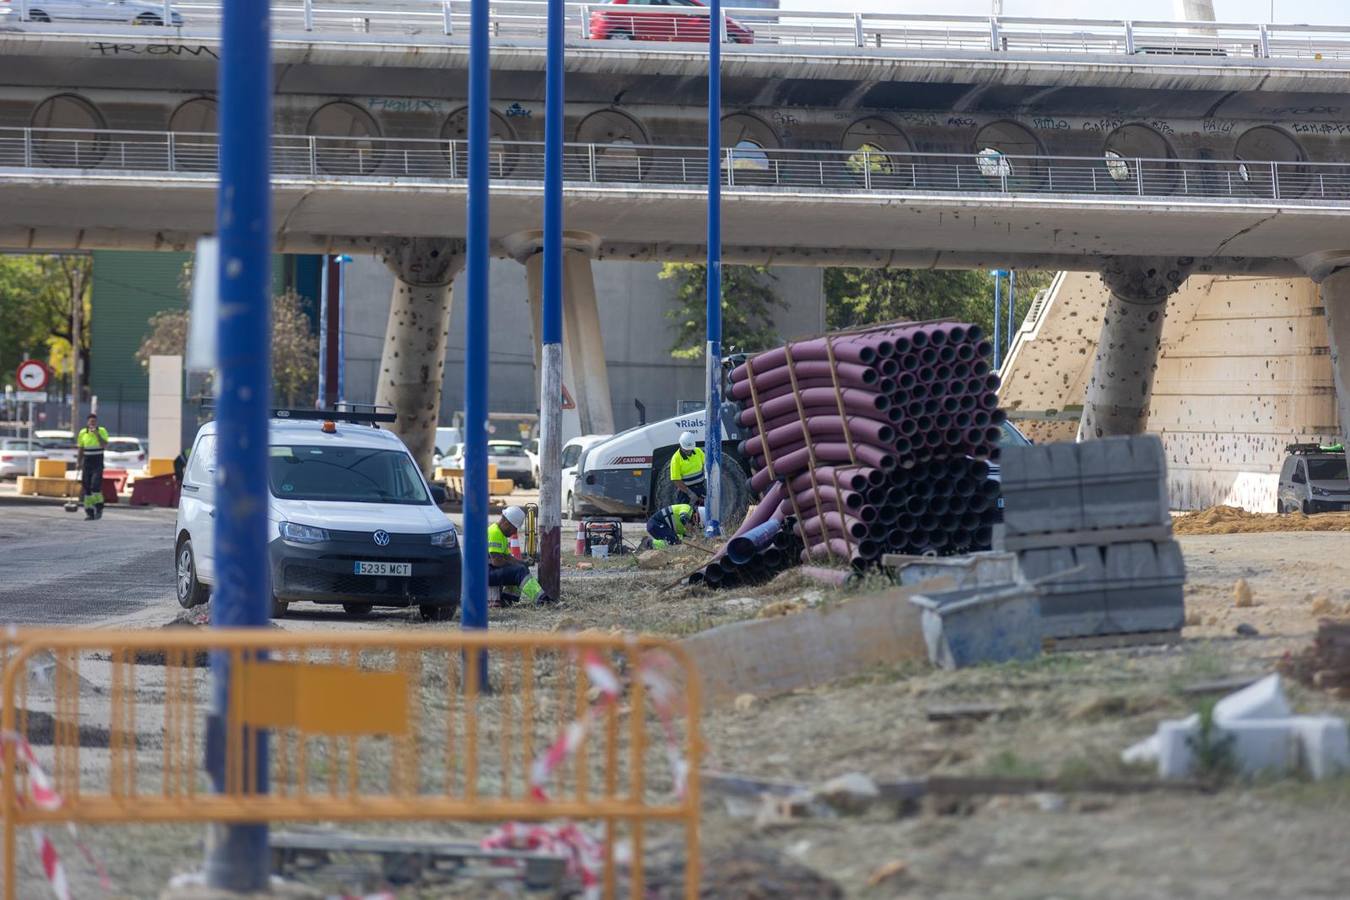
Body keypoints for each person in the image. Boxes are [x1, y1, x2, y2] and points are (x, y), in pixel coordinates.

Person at [487, 505, 555, 607]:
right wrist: (519, 566)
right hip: (483, 574)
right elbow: (497, 562)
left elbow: (507, 557)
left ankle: (507, 600)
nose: (514, 532)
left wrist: (523, 563)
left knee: (520, 568)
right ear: (506, 523)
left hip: (486, 571)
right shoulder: (495, 533)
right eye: (514, 528)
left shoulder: (500, 533)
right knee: (519, 571)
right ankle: (543, 601)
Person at [76, 414, 109, 520]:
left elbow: (104, 445)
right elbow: (81, 448)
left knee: (95, 485)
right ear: (87, 422)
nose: (92, 424)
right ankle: (89, 512)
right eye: (91, 422)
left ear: (96, 422)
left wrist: (97, 434)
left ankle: (99, 506)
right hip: (87, 462)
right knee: (87, 487)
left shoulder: (102, 430)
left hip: (98, 461)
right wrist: (78, 462)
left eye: (94, 422)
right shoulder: (82, 432)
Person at [670, 431, 707, 507]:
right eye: (686, 450)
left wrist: (706, 481)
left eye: (690, 449)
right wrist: (690, 493)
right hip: (685, 492)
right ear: (681, 445)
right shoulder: (676, 459)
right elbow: (676, 480)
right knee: (686, 514)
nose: (688, 451)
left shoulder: (698, 451)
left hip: (700, 488)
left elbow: (707, 464)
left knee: (702, 513)